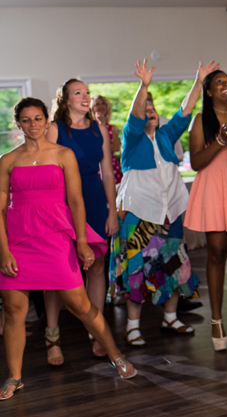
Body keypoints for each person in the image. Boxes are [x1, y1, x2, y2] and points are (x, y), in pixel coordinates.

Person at [1, 98, 137, 401]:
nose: (33, 124)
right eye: (26, 120)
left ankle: (115, 355)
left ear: (47, 122)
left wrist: (82, 241)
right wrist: (4, 251)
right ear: (18, 124)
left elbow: (76, 201)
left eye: (38, 118)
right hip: (18, 241)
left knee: (81, 306)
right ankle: (14, 376)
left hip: (56, 238)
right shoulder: (7, 160)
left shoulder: (64, 155)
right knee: (13, 311)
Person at [111, 60, 212, 346]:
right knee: (136, 270)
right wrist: (144, 86)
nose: (150, 112)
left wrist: (198, 80)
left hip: (169, 214)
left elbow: (185, 109)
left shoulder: (168, 135)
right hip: (139, 216)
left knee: (173, 265)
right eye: (146, 110)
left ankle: (170, 318)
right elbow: (134, 115)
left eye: (153, 108)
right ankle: (133, 327)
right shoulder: (131, 139)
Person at [44, 80, 119, 362]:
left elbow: (108, 173)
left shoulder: (98, 128)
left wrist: (112, 210)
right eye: (79, 93)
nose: (86, 97)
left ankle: (96, 332)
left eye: (87, 92)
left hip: (96, 200)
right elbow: (47, 172)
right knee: (57, 272)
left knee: (97, 266)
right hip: (62, 204)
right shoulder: (55, 129)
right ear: (65, 100)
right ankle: (53, 336)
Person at [185, 69, 227, 351]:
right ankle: (216, 319)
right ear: (209, 92)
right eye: (218, 82)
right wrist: (222, 142)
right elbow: (196, 162)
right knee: (216, 252)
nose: (226, 85)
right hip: (214, 187)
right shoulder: (201, 120)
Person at [91, 95, 123, 184]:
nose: (101, 106)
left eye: (103, 104)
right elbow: (92, 148)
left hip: (112, 166)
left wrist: (103, 124)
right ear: (92, 108)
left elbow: (116, 147)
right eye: (97, 104)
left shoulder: (113, 128)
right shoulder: (89, 128)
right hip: (95, 166)